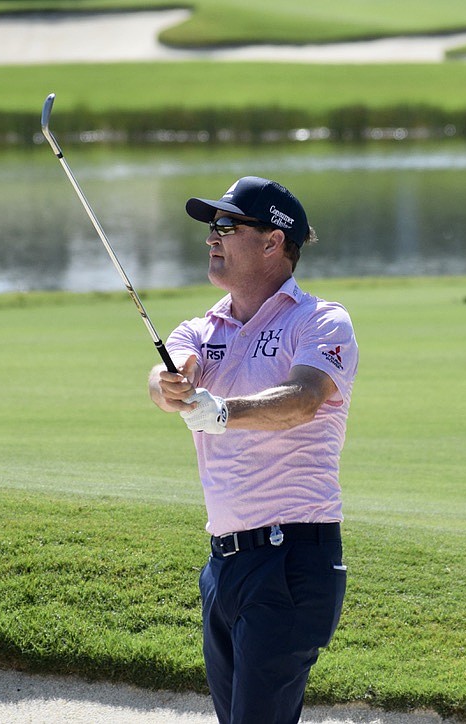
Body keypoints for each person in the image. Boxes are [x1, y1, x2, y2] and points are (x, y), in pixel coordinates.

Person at [148, 176, 359, 724]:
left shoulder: (318, 320)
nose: (212, 236)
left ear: (272, 242)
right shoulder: (202, 326)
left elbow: (304, 398)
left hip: (292, 558)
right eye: (211, 227)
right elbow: (166, 374)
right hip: (222, 566)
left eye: (226, 225)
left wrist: (223, 412)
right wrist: (171, 385)